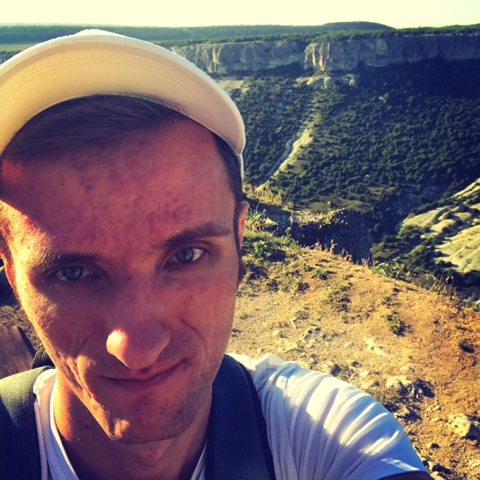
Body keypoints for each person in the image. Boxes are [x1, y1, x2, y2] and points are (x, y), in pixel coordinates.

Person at [0, 30, 432, 480]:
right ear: (11, 274)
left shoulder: (334, 438)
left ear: (240, 239)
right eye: (73, 272)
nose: (137, 350)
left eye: (186, 256)